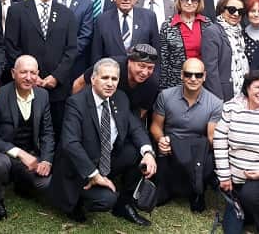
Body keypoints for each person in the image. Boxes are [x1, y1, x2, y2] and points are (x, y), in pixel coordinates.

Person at [50, 58, 158, 226]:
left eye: (114, 79)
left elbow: (135, 127)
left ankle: (124, 204)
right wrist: (93, 175)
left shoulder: (120, 98)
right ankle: (77, 200)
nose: (110, 83)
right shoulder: (76, 103)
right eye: (105, 78)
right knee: (106, 200)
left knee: (136, 151)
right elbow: (70, 143)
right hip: (80, 169)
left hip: (104, 159)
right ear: (93, 79)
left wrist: (148, 153)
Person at [4, 0, 78, 136]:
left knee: (56, 134)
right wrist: (30, 76)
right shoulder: (16, 11)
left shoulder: (67, 14)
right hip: (25, 86)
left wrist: (56, 77)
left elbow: (71, 50)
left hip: (57, 90)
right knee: (26, 135)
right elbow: (11, 46)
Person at [214, 69, 259, 234]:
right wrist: (224, 176)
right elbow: (219, 141)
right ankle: (252, 207)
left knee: (250, 195)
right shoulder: (231, 107)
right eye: (257, 87)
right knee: (231, 230)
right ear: (247, 88)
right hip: (234, 177)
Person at [0, 55, 54, 221]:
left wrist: (46, 160)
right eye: (23, 72)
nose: (28, 77)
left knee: (45, 184)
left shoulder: (43, 95)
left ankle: (21, 184)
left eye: (32, 72)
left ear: (38, 74)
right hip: (4, 154)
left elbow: (47, 132)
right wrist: (20, 154)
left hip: (31, 152)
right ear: (13, 73)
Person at [150, 58, 222, 212]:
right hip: (169, 146)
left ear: (204, 76)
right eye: (189, 74)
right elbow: (156, 126)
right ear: (182, 75)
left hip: (196, 150)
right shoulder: (166, 96)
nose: (193, 79)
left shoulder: (215, 103)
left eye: (198, 75)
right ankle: (170, 189)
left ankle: (196, 191)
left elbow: (211, 138)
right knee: (160, 193)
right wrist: (160, 139)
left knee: (209, 157)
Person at [73, 44, 159, 120]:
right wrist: (75, 110)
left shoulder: (152, 83)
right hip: (95, 110)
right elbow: (80, 83)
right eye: (141, 66)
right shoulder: (110, 67)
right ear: (130, 61)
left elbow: (142, 111)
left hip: (127, 117)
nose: (145, 72)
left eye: (150, 68)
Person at [91, 0, 159, 64]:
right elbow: (96, 54)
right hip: (112, 74)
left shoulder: (149, 17)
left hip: (141, 73)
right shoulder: (102, 20)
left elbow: (156, 51)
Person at [159, 0, 213, 89]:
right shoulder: (168, 25)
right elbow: (164, 60)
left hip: (201, 80)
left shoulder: (207, 24)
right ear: (180, 0)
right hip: (175, 82)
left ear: (198, 2)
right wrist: (163, 88)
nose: (189, 2)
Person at [201, 0, 249, 101]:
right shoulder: (212, 32)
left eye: (240, 11)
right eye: (232, 9)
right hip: (224, 95)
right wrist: (218, 99)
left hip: (242, 93)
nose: (236, 14)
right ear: (222, 9)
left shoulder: (240, 31)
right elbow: (210, 71)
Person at [55, 0, 94, 78]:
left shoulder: (86, 3)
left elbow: (85, 35)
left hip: (75, 64)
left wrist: (67, 56)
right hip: (49, 62)